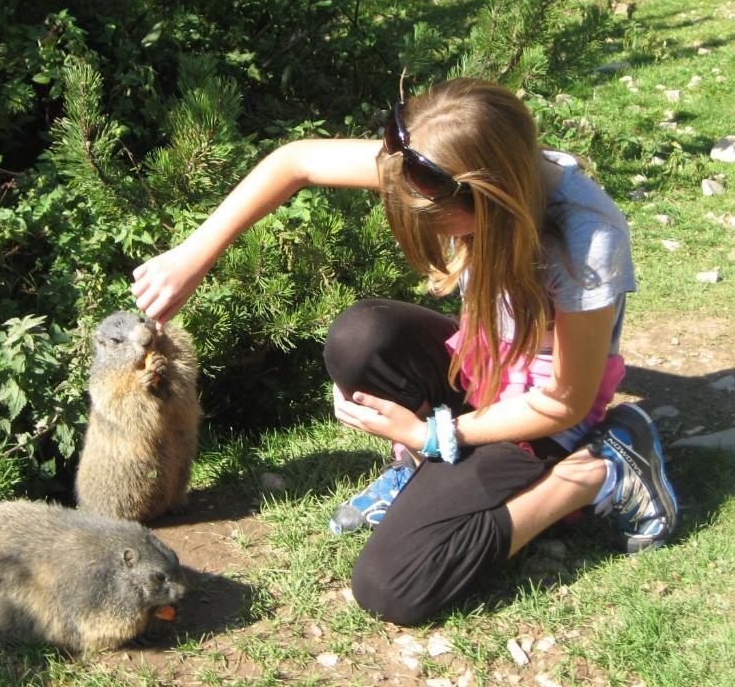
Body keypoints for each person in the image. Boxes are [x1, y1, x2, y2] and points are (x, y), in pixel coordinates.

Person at [130, 78, 679, 625]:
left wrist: (437, 435)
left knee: (392, 585)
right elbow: (295, 161)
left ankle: (600, 468)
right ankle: (423, 470)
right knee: (361, 336)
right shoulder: (431, 160)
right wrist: (193, 255)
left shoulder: (584, 240)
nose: (427, 231)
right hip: (484, 366)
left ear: (487, 197)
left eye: (435, 222)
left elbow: (565, 399)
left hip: (546, 415)